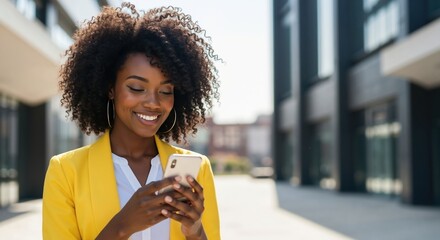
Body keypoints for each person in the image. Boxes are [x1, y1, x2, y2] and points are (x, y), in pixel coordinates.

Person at [42, 2, 221, 240]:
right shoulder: (66, 172)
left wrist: (195, 231)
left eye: (166, 91)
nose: (153, 103)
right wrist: (122, 226)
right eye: (137, 88)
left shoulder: (197, 169)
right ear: (110, 89)